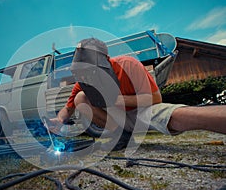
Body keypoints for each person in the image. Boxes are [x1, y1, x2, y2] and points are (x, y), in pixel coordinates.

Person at [50, 38, 226, 151]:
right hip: (118, 119)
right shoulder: (85, 81)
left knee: (177, 115)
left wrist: (118, 100)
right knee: (81, 97)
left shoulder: (128, 64)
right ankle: (120, 134)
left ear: (105, 61)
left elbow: (156, 98)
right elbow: (69, 107)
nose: (88, 76)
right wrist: (59, 120)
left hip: (142, 112)